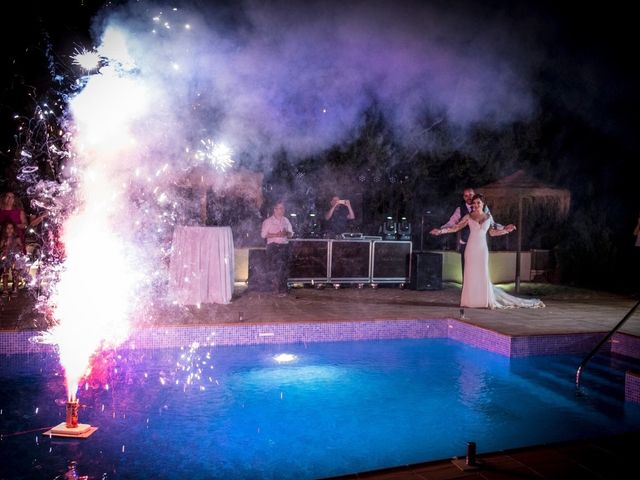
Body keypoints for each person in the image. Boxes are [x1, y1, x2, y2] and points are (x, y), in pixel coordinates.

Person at [431, 194, 544, 309]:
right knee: (470, 274)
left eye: (478, 202)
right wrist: (440, 231)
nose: (475, 205)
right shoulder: (468, 216)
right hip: (471, 248)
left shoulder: (488, 217)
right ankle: (470, 301)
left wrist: (506, 230)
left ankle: (483, 301)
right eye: (474, 203)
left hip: (482, 249)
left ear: (483, 204)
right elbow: (455, 227)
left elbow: (492, 232)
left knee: (482, 273)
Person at [430, 187, 500, 275]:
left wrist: (504, 228)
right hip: (466, 244)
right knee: (467, 272)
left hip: (481, 245)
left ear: (474, 195)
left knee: (481, 272)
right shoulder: (460, 209)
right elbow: (452, 223)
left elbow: (493, 224)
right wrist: (441, 230)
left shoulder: (484, 208)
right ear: (464, 198)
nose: (469, 197)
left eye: (470, 195)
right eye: (466, 196)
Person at [260, 200, 294, 296]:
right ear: (274, 210)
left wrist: (285, 233)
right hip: (273, 246)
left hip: (284, 246)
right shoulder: (268, 221)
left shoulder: (286, 220)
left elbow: (291, 234)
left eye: (283, 208)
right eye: (280, 208)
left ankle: (283, 289)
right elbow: (263, 235)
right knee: (276, 267)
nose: (282, 210)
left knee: (284, 268)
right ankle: (276, 289)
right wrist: (276, 234)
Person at [1, 221, 25, 297]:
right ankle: (5, 290)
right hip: (6, 257)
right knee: (5, 273)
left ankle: (15, 289)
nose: (9, 230)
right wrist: (4, 246)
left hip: (14, 256)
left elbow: (21, 246)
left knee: (15, 273)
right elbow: (1, 247)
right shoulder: (3, 238)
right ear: (5, 229)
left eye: (11, 228)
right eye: (8, 228)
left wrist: (18, 248)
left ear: (14, 229)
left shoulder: (16, 238)